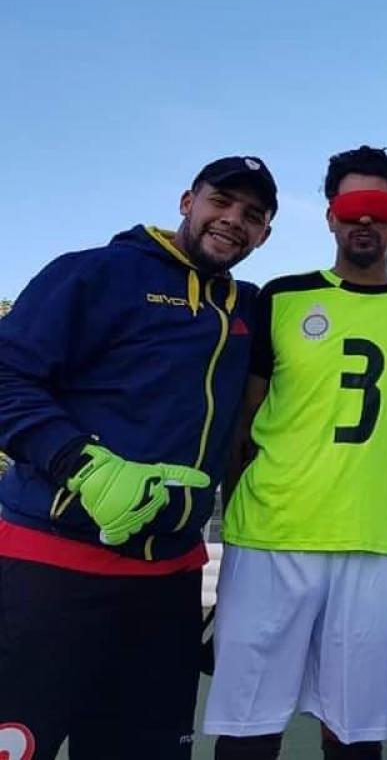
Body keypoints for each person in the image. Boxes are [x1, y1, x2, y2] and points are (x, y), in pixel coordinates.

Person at [0, 156, 276, 759]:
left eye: (252, 215)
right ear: (187, 201)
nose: (233, 220)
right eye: (221, 202)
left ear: (265, 235)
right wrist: (80, 463)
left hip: (166, 586)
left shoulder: (253, 307)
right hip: (50, 568)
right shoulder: (96, 274)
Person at [203, 146, 387, 760]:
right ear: (329, 218)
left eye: (379, 207)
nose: (363, 221)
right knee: (247, 729)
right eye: (350, 207)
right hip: (270, 538)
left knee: (353, 735)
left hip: (366, 546)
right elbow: (242, 419)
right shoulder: (280, 298)